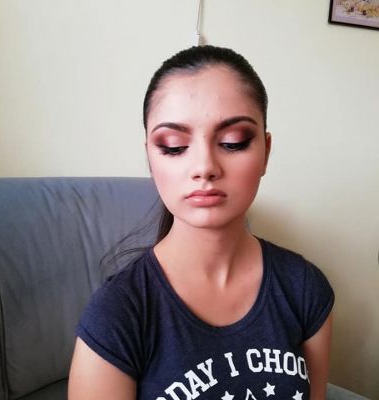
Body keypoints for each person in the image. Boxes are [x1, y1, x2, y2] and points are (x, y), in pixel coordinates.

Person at [68, 45, 334, 400]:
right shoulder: (117, 316)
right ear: (149, 157)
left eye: (233, 142)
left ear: (266, 152)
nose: (204, 167)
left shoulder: (304, 289)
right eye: (174, 146)